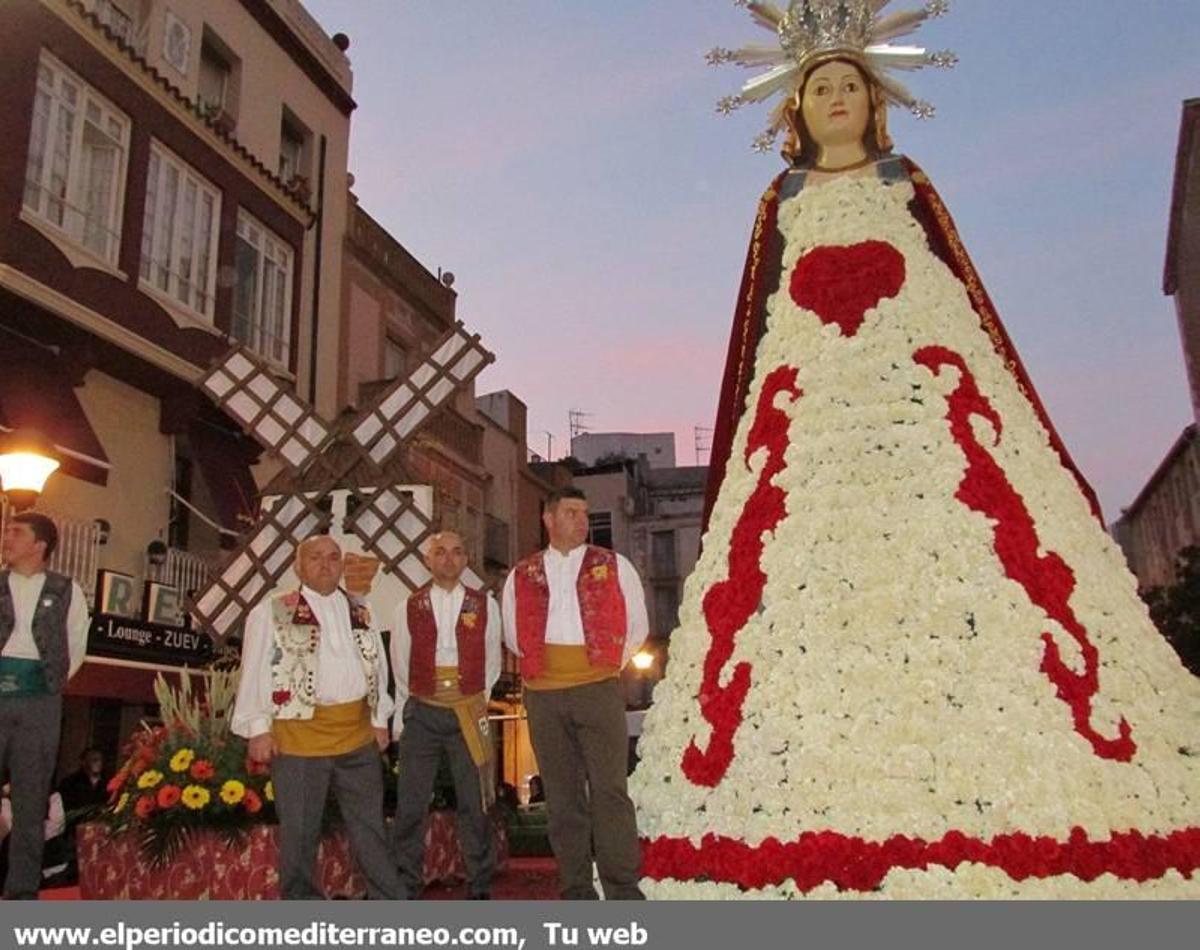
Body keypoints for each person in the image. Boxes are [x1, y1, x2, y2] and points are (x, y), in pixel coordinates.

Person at [628, 0, 1200, 899]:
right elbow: (757, 317)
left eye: (851, 83)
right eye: (821, 87)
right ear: (797, 108)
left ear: (875, 97)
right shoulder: (780, 201)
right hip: (810, 412)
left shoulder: (905, 181)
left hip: (927, 395)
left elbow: (959, 289)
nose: (838, 98)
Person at [232, 535, 401, 900]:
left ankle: (392, 904)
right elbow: (255, 671)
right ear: (298, 566)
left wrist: (378, 718)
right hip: (299, 739)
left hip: (357, 737)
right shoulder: (271, 611)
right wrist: (258, 729)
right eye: (315, 558)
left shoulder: (362, 609)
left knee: (370, 827)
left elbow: (377, 668)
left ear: (342, 564)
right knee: (300, 832)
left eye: (333, 557)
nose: (325, 564)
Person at [502, 487, 649, 900]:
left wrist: (602, 667)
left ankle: (623, 889)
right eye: (571, 513)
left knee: (610, 791)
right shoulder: (520, 574)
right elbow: (514, 638)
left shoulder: (616, 566)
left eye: (585, 513)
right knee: (562, 797)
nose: (582, 521)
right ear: (548, 519)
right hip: (543, 693)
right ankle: (576, 889)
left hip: (598, 689)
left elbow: (637, 629)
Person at [390, 530, 501, 900]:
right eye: (440, 552)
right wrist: (409, 709)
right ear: (428, 560)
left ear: (466, 559)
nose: (448, 559)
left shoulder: (485, 605)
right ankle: (407, 881)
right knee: (410, 802)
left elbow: (492, 661)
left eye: (456, 552)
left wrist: (473, 699)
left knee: (476, 802)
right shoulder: (408, 605)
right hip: (423, 712)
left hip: (467, 711)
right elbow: (401, 665)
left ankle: (480, 882)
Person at [0, 511, 89, 900]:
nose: (6, 538)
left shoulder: (68, 590)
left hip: (40, 699)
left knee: (31, 799)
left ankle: (20, 892)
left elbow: (76, 645)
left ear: (40, 545)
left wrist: (50, 684)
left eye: (15, 532)